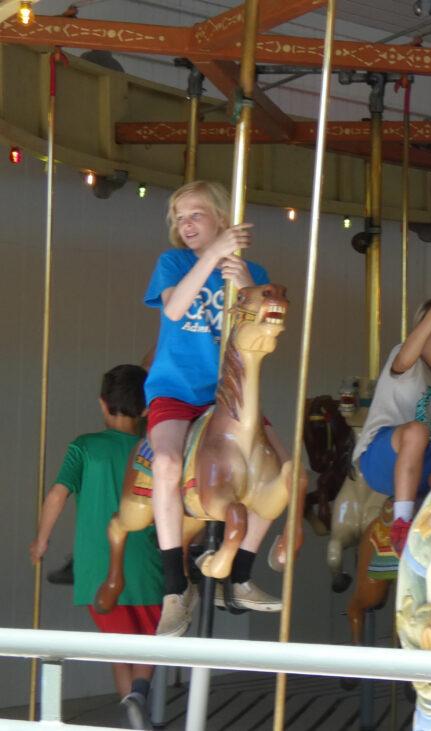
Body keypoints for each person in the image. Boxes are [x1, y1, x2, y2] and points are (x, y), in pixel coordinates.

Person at [144, 180, 284, 638]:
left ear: (222, 217)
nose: (185, 225)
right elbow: (174, 309)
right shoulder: (175, 263)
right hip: (178, 389)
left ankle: (239, 574)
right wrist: (211, 256)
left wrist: (247, 284)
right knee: (165, 460)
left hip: (229, 392)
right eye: (179, 217)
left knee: (284, 470)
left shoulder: (251, 269)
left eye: (196, 214)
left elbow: (262, 332)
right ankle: (173, 586)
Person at [30, 365, 162, 730]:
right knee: (150, 643)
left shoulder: (84, 447)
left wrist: (42, 541)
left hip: (96, 567)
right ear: (148, 408)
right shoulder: (154, 449)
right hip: (148, 561)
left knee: (120, 650)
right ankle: (139, 693)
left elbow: (58, 493)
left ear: (103, 405)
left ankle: (132, 708)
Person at [352, 286, 431, 555]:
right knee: (417, 432)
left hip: (421, 464)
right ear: (424, 335)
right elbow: (406, 357)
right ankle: (401, 522)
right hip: (381, 458)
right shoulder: (406, 360)